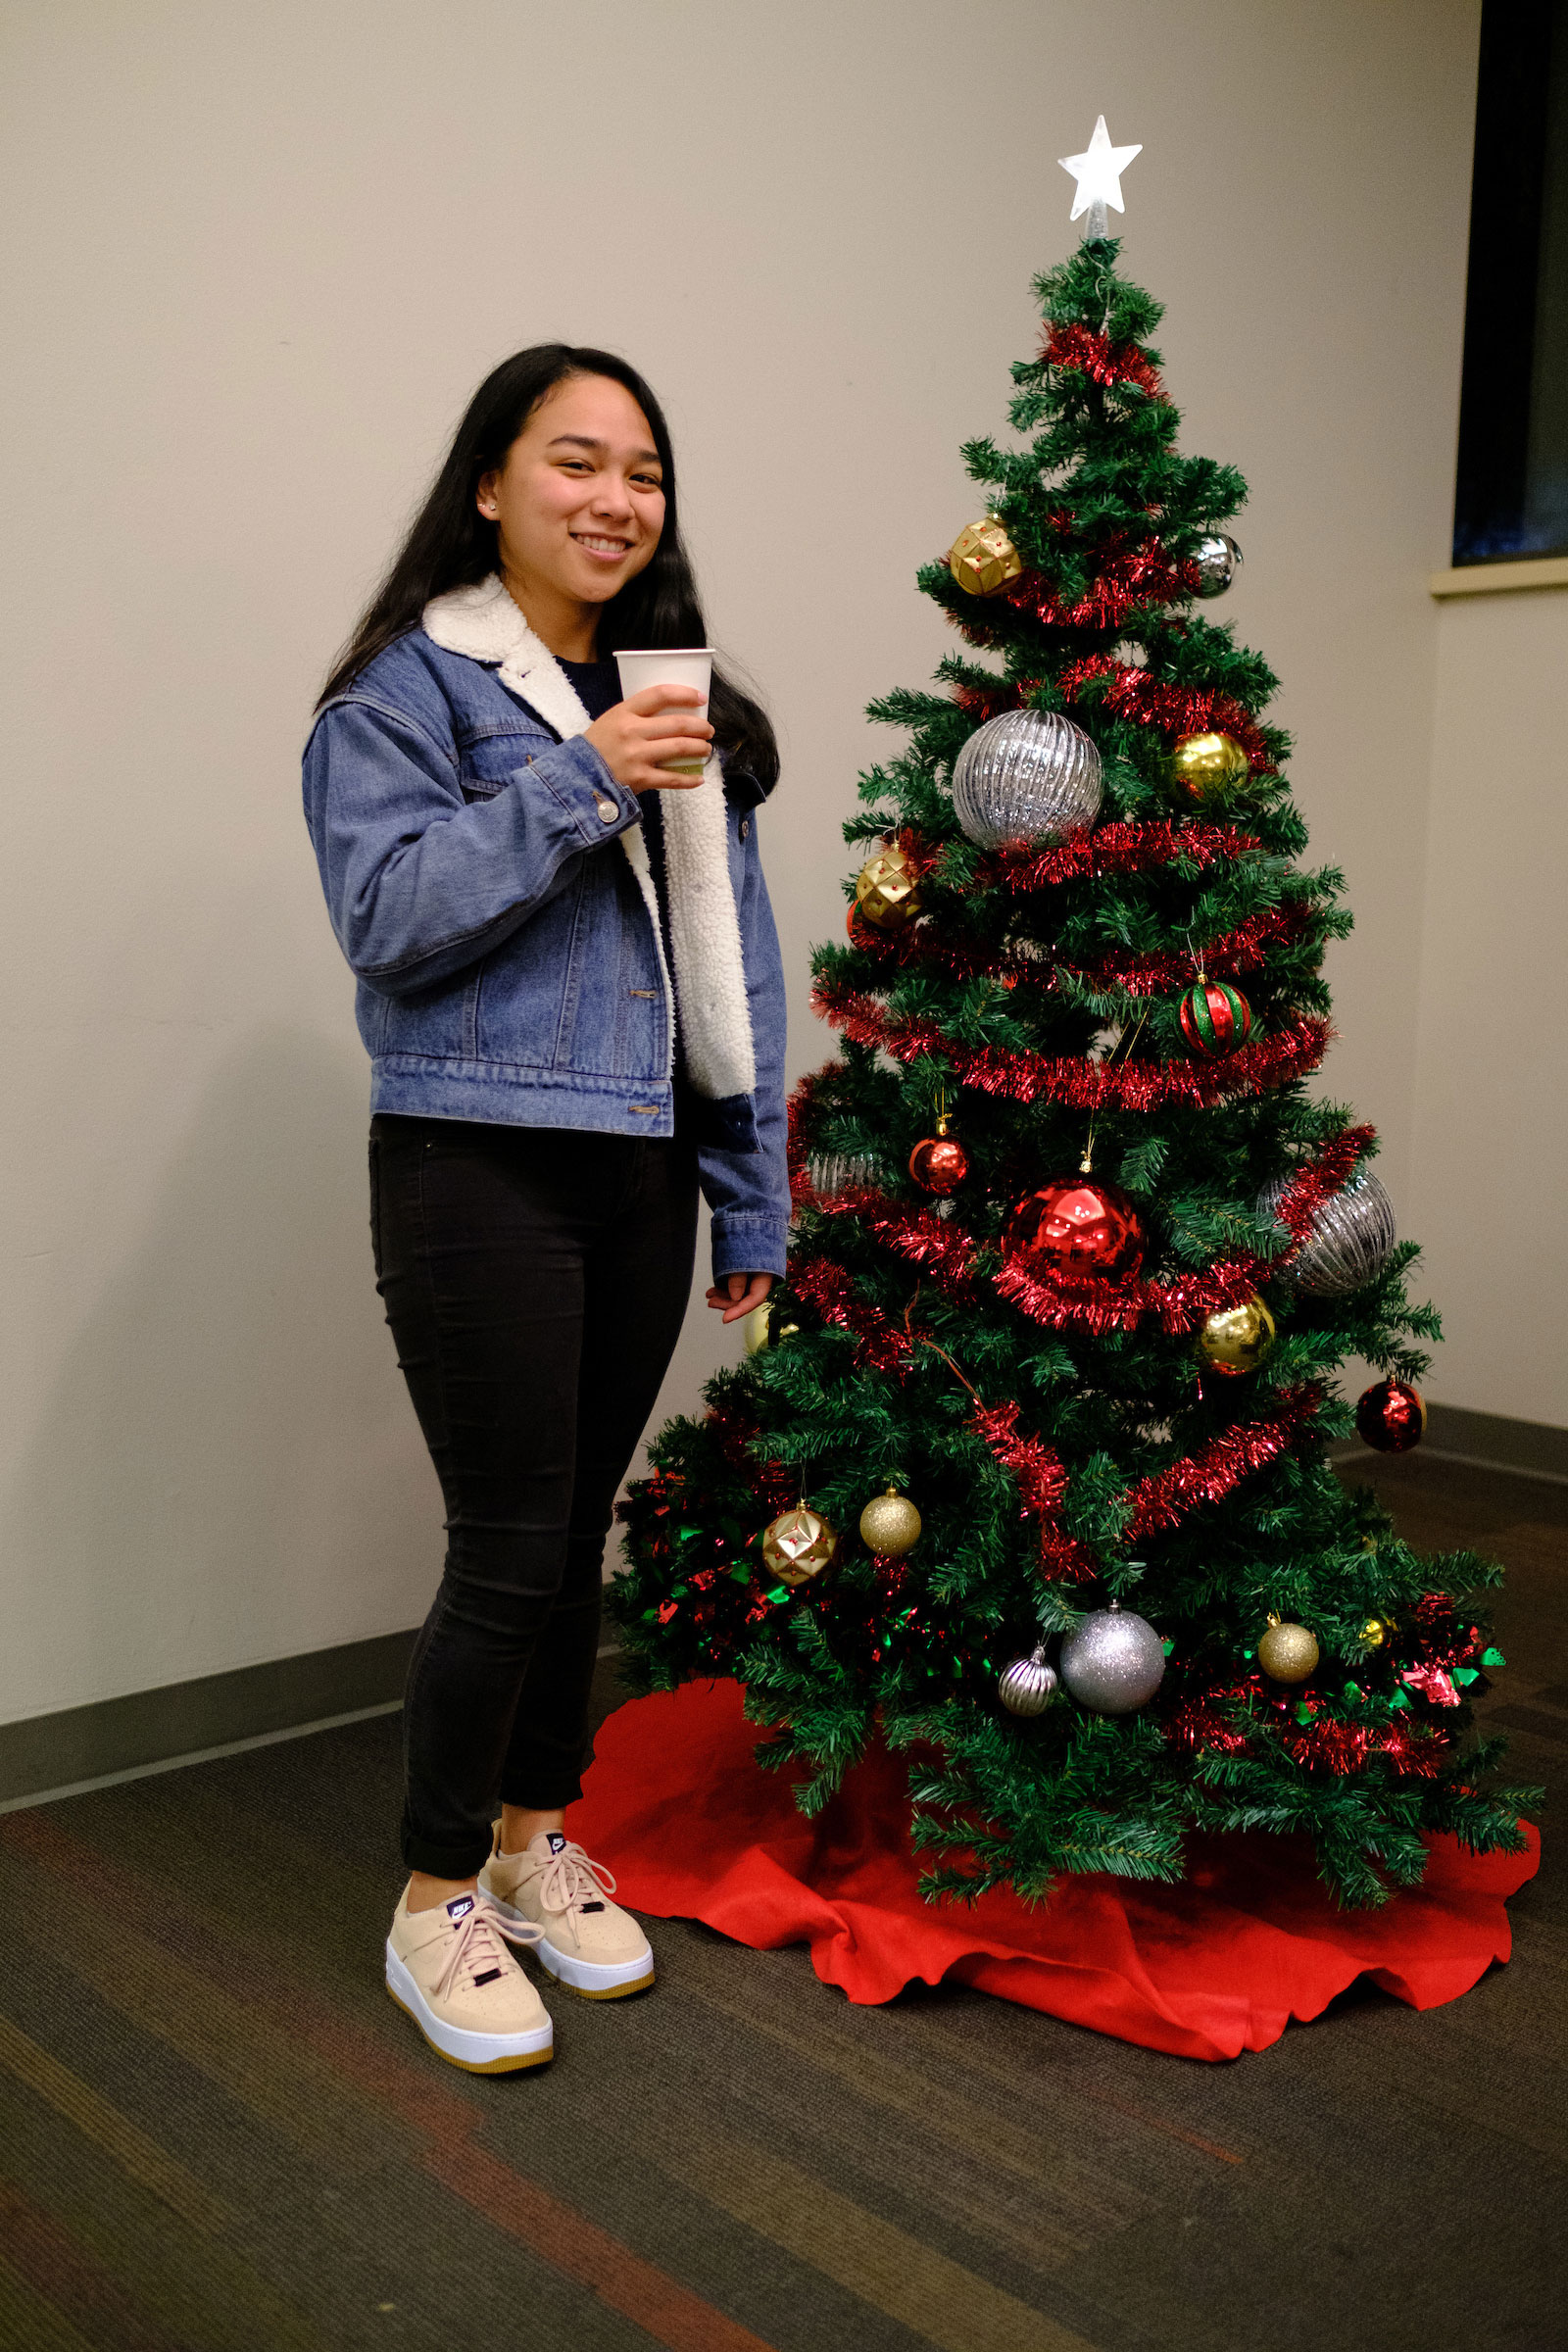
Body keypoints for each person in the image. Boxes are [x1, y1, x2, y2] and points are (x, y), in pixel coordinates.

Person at [302, 347, 788, 2074]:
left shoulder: (682, 694)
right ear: (491, 483)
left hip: (643, 1167)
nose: (617, 499)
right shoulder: (401, 697)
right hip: (476, 1158)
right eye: (575, 460)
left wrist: (752, 1198)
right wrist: (586, 775)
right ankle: (432, 1896)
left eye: (644, 470)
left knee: (576, 1532)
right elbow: (391, 917)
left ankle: (525, 1849)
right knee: (506, 1547)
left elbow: (731, 965)